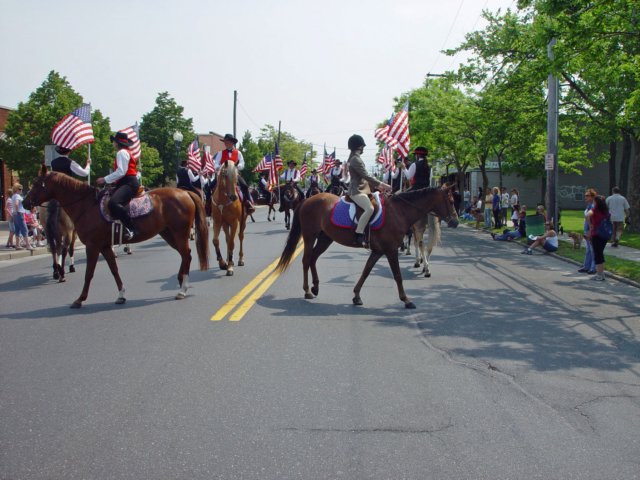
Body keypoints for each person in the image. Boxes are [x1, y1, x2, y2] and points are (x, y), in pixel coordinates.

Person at [346, 134, 391, 247]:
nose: (363, 148)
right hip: (356, 190)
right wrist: (382, 184)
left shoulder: (355, 158)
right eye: (362, 146)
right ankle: (358, 234)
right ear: (359, 147)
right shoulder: (355, 159)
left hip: (363, 189)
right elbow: (365, 176)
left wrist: (378, 187)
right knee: (369, 208)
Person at [96, 132, 140, 241]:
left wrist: (104, 179)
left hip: (128, 183)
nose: (113, 143)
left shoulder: (121, 153)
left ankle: (131, 228)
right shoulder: (125, 152)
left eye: (114, 141)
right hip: (125, 182)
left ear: (117, 143)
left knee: (113, 203)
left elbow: (121, 171)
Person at [212, 133, 255, 214]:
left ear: (232, 142)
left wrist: (237, 167)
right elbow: (216, 164)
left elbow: (242, 164)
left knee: (245, 186)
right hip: (223, 175)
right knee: (210, 187)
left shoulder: (238, 153)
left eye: (227, 141)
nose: (225, 143)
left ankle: (248, 203)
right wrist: (219, 167)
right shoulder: (220, 153)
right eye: (225, 141)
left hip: (234, 175)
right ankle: (208, 206)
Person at [587, 195, 610, 281]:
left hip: (596, 234)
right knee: (600, 253)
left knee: (597, 254)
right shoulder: (606, 211)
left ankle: (600, 274)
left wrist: (590, 225)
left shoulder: (594, 210)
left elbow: (587, 215)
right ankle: (601, 273)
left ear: (596, 202)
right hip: (605, 234)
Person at [579, 188, 597, 275]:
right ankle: (586, 266)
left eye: (587, 196)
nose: (585, 197)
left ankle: (593, 268)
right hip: (587, 230)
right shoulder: (589, 205)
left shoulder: (593, 206)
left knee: (593, 250)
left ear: (593, 196)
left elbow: (593, 220)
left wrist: (590, 230)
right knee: (588, 249)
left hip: (591, 230)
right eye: (585, 195)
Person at [11, 184, 35, 250]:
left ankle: (17, 245)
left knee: (17, 230)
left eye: (21, 189)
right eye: (20, 189)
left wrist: (15, 212)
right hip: (19, 214)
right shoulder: (17, 196)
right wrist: (17, 211)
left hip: (15, 215)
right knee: (24, 229)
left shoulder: (13, 196)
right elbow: (16, 204)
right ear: (16, 189)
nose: (21, 190)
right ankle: (28, 245)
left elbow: (15, 205)